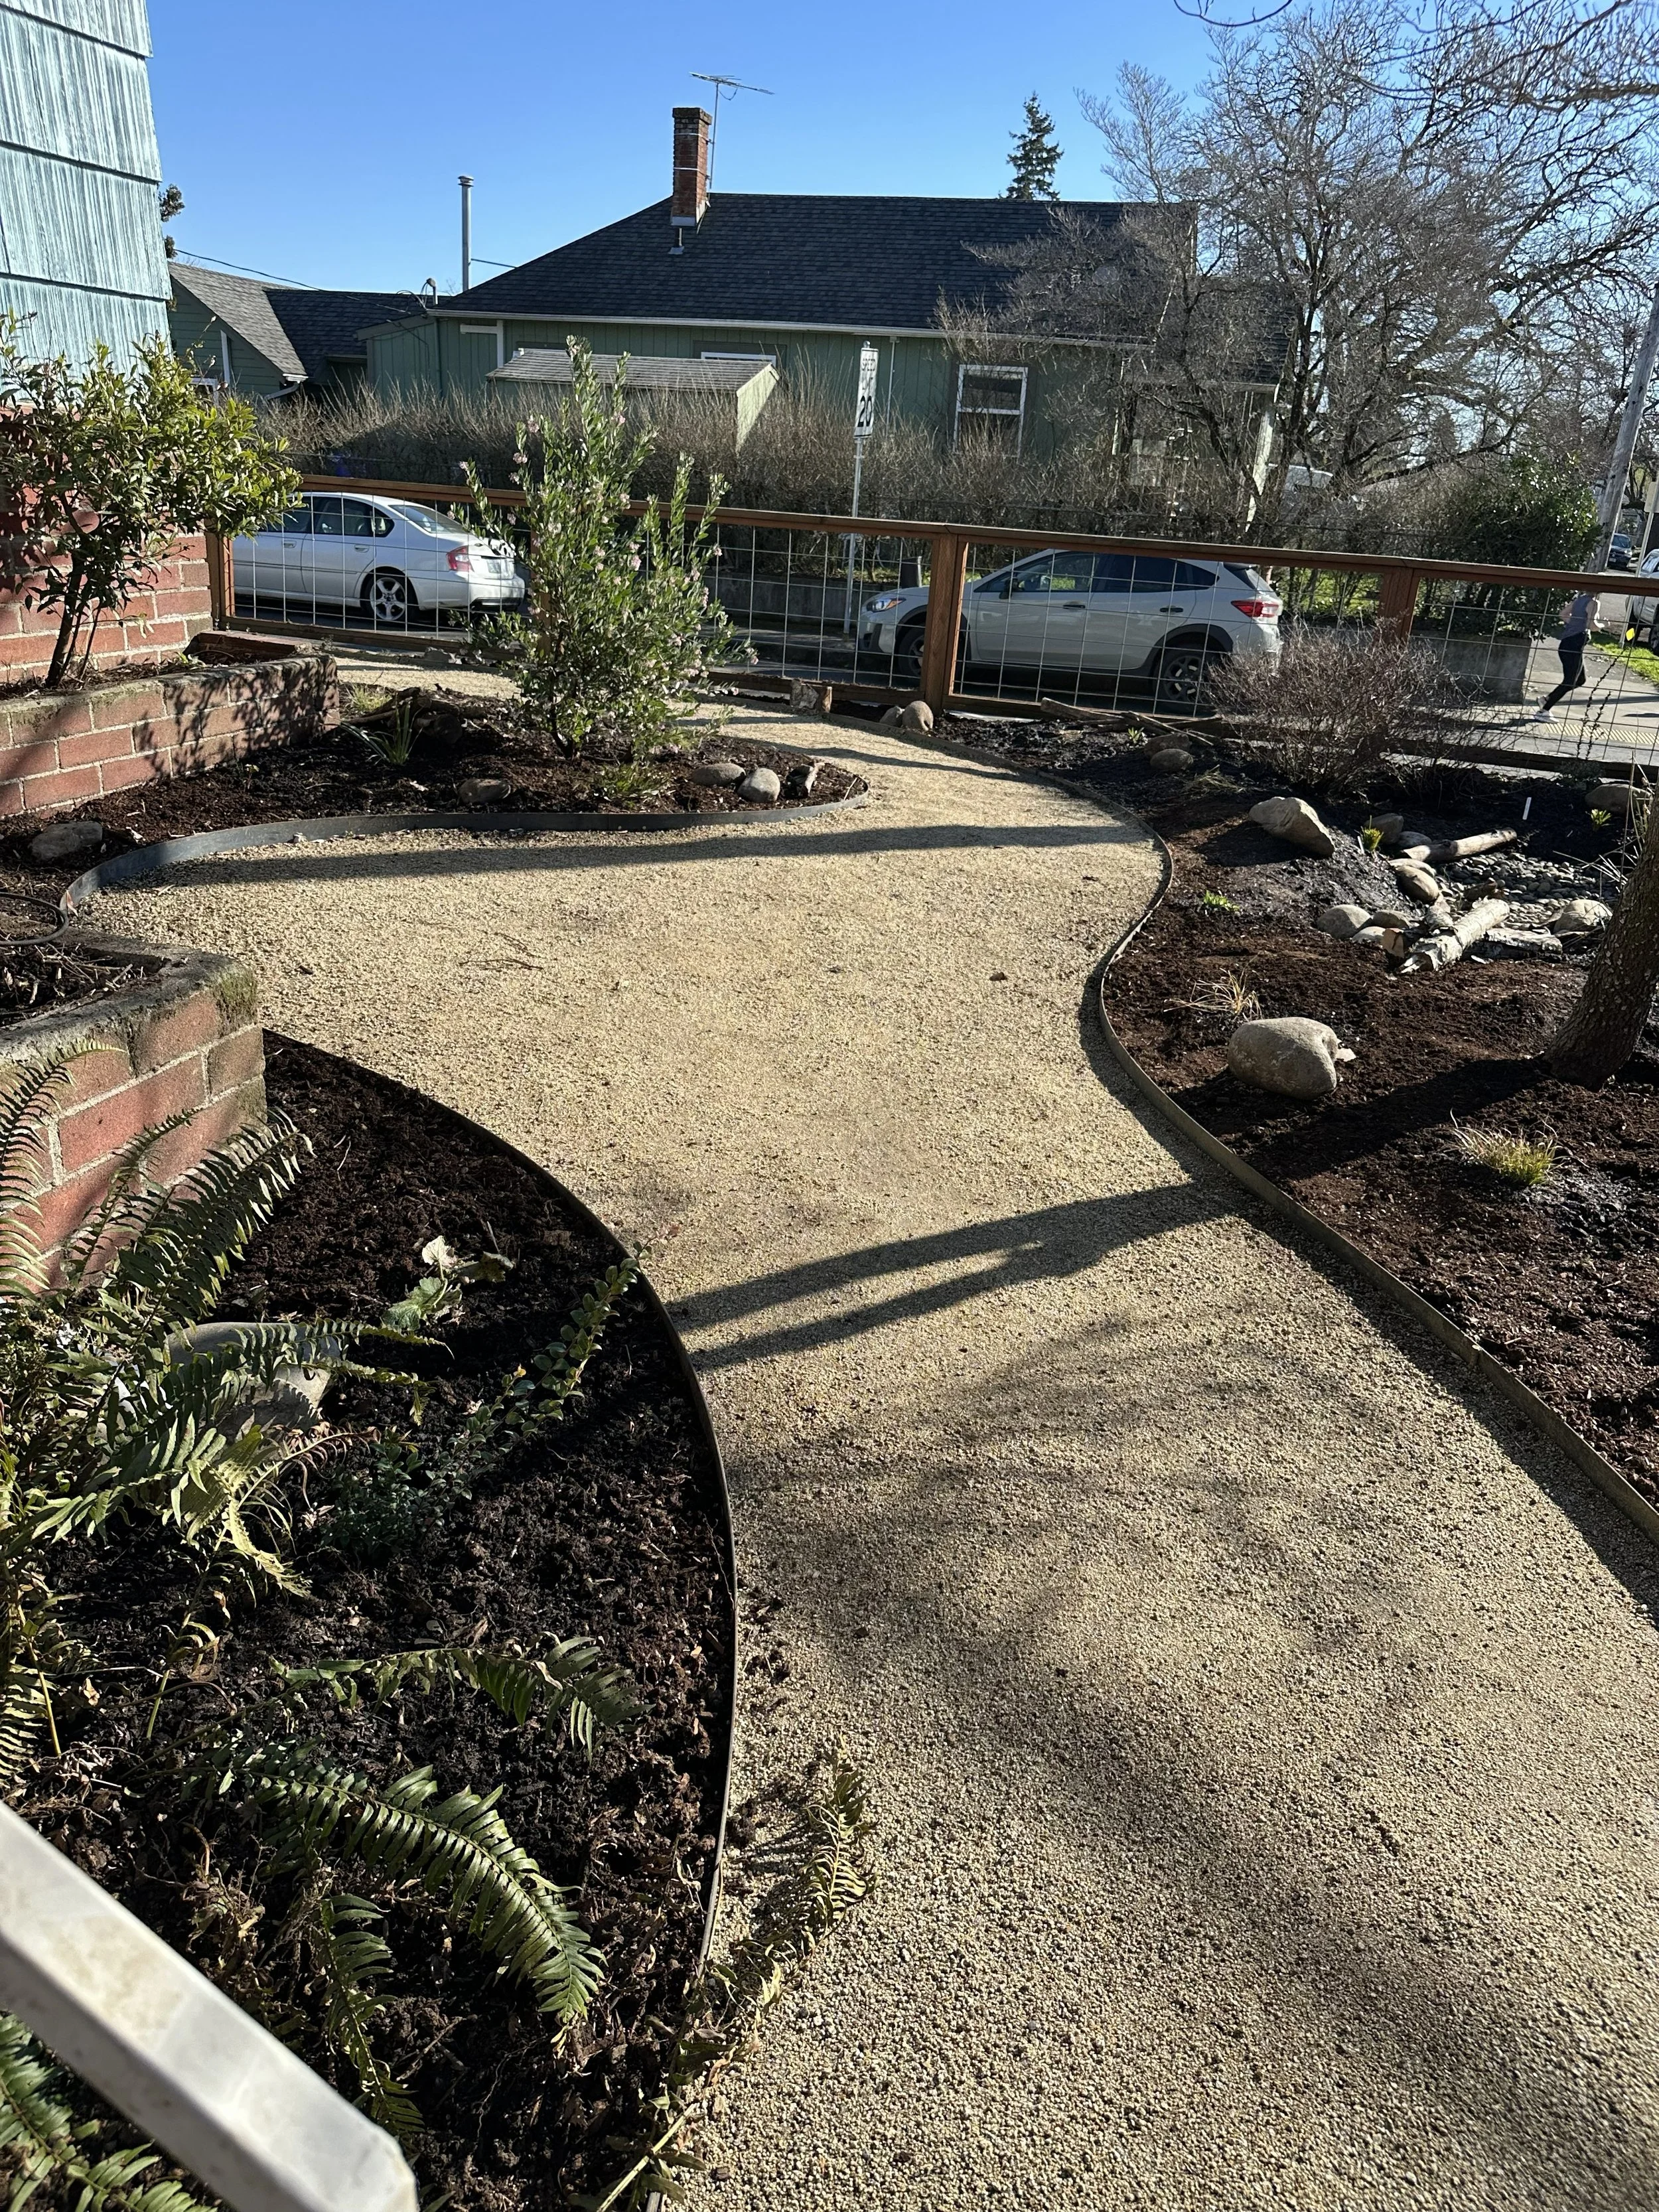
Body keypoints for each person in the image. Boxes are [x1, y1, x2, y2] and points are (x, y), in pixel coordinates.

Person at [1532, 589, 1601, 720]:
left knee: (1580, 680)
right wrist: (1602, 625)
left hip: (1567, 643)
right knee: (1570, 681)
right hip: (1575, 645)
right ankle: (1544, 711)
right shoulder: (1594, 603)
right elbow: (1591, 625)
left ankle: (1547, 699)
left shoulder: (1579, 600)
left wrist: (1576, 623)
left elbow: (1563, 615)